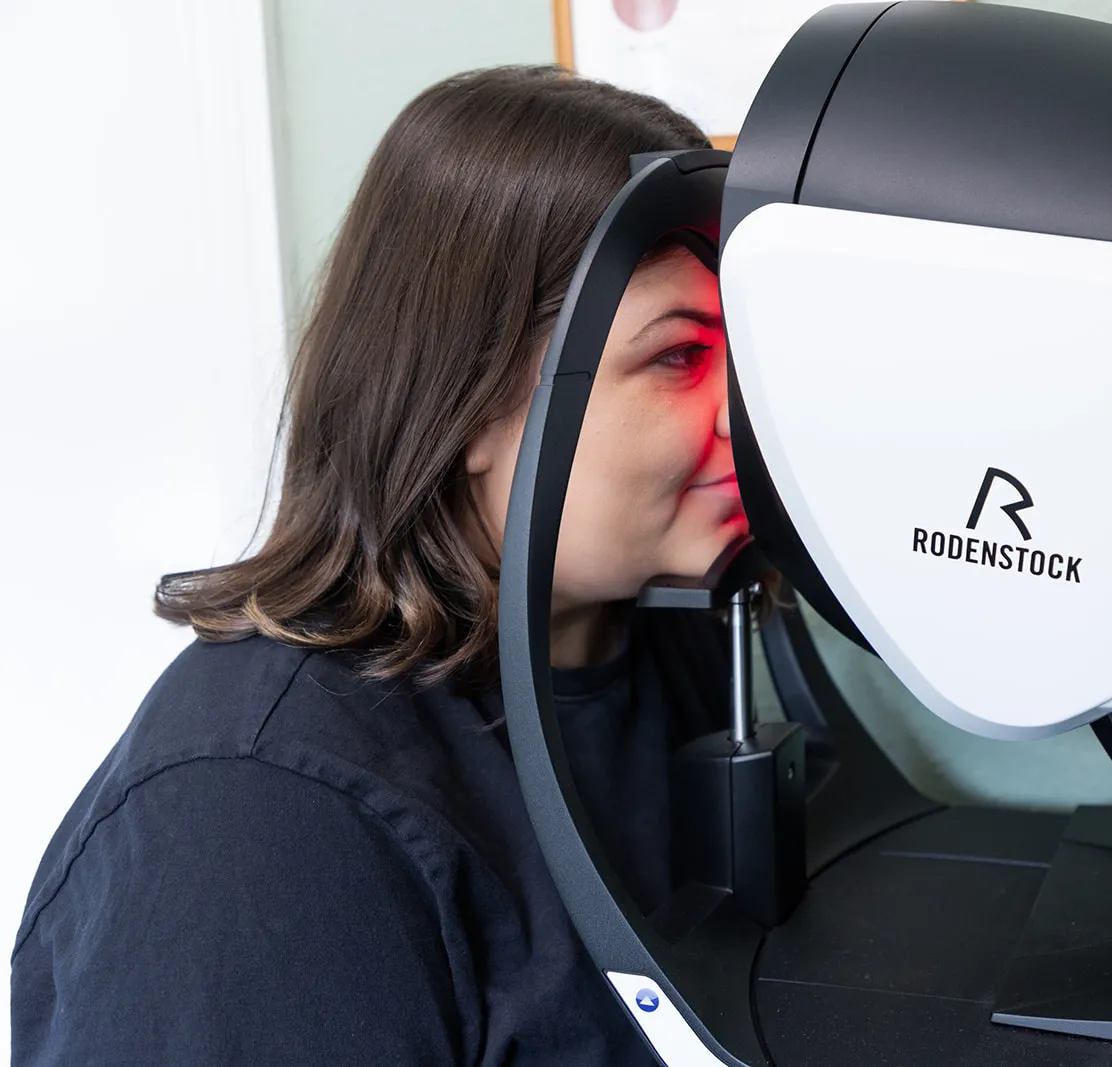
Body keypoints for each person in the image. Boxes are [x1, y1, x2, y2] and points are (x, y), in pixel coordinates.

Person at [11, 66, 745, 1066]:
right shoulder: (253, 827)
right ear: (471, 397)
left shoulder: (682, 646)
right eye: (678, 356)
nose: (742, 417)